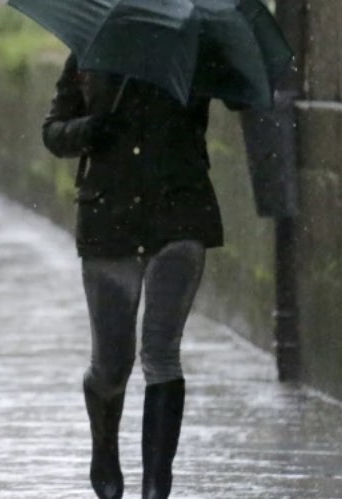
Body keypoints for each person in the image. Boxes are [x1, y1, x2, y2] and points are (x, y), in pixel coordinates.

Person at [41, 54, 223, 499]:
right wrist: (90, 129)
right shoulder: (92, 48)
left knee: (162, 353)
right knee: (111, 365)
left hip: (179, 216)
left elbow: (233, 99)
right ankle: (104, 448)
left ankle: (157, 486)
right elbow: (54, 132)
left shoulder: (192, 49)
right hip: (110, 222)